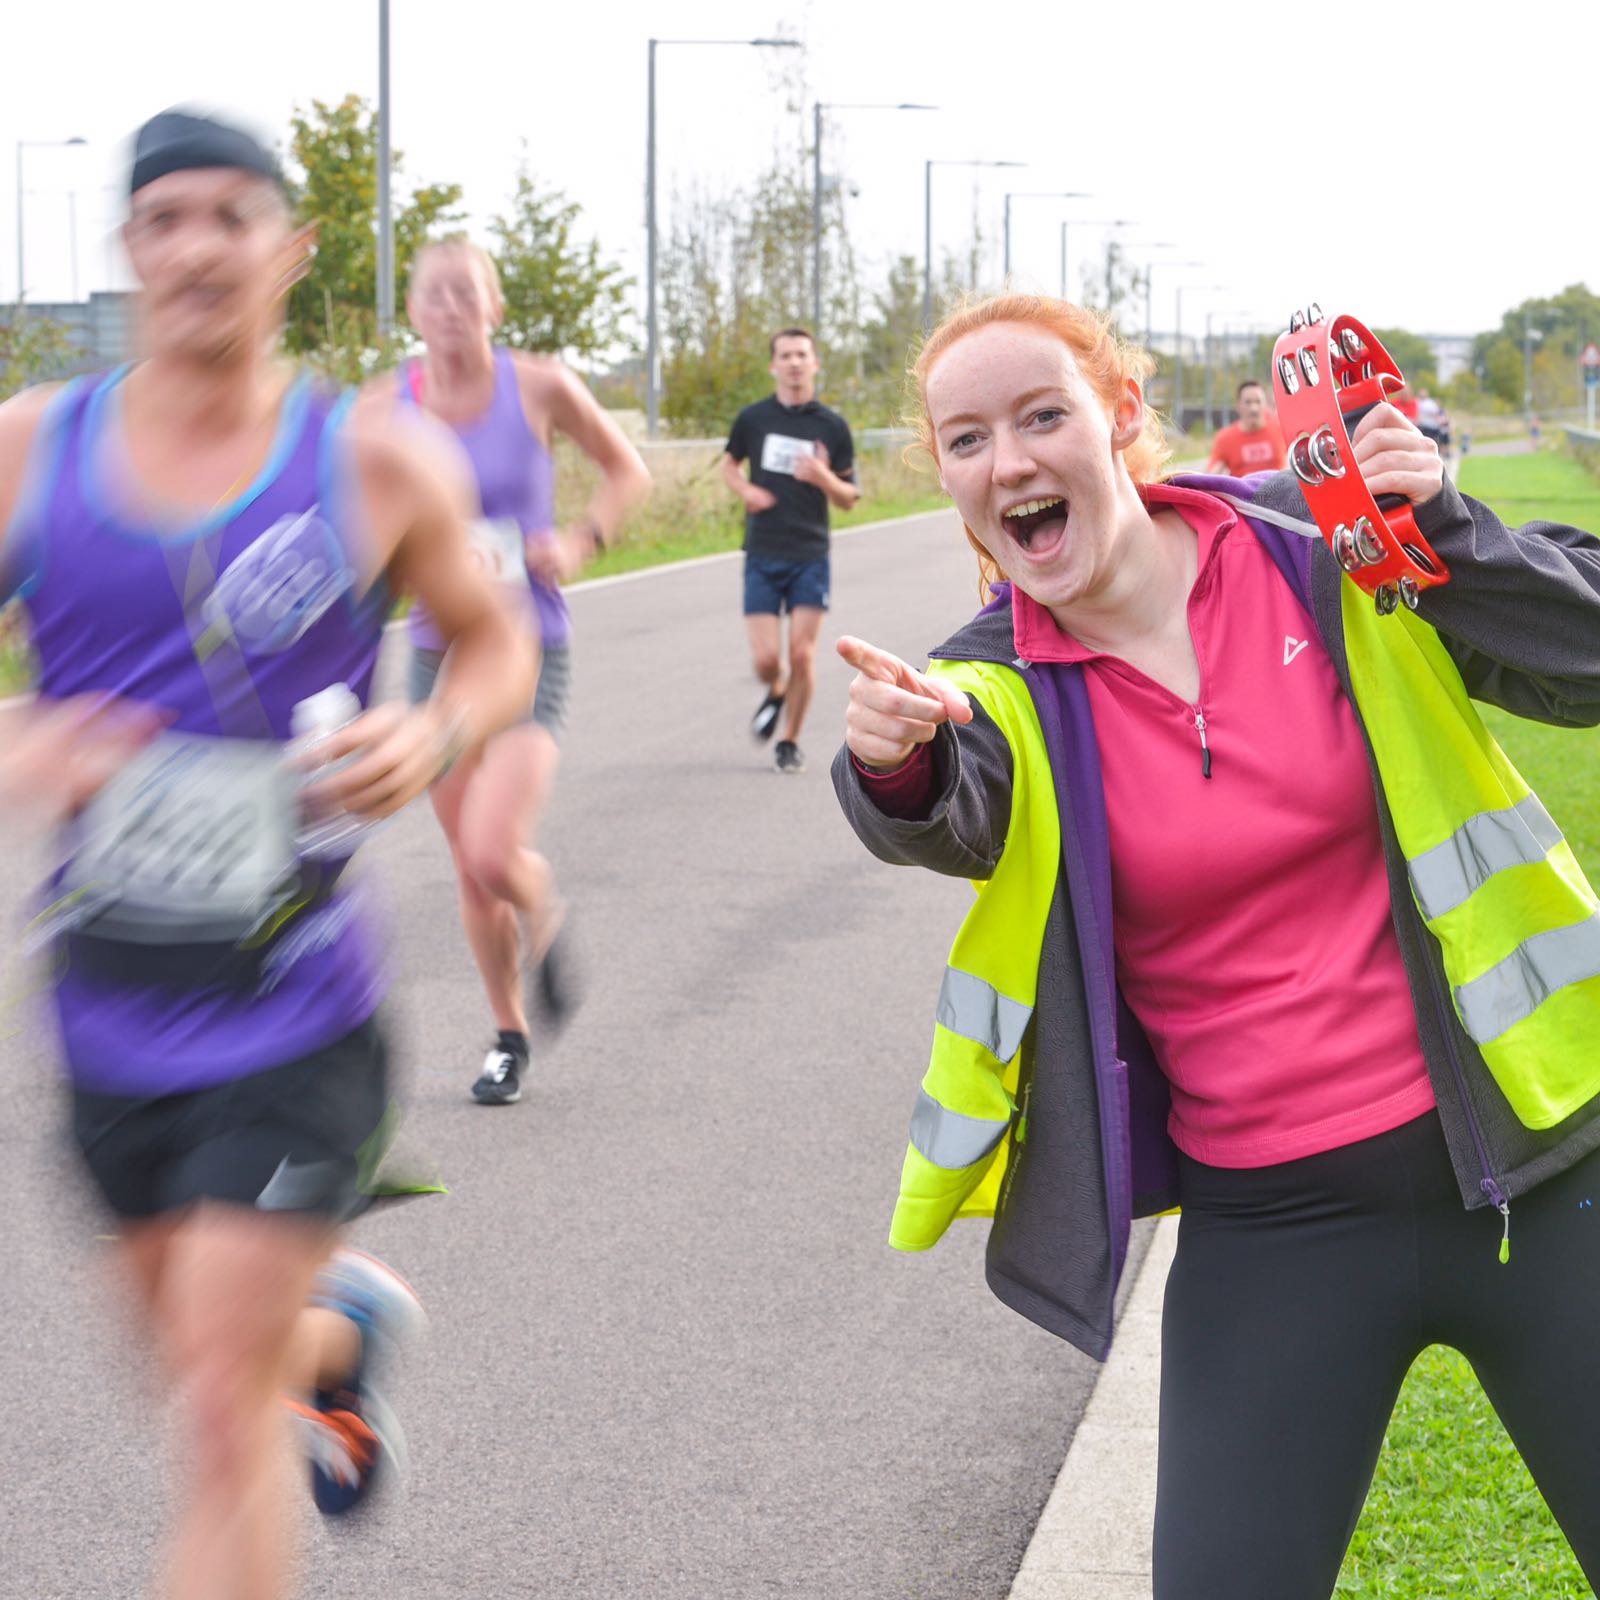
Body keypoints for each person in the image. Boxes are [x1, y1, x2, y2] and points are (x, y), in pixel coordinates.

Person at [831, 292, 1600, 1599]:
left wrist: (1442, 535)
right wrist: (898, 765)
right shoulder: (998, 685)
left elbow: (1582, 657)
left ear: (1123, 417)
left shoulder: (1316, 544)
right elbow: (949, 801)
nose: (1006, 461)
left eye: (1038, 417)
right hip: (1277, 1228)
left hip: (1543, 1178)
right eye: (966, 441)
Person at [0, 110, 535, 1598]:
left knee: (217, 1423)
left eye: (230, 216)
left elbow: (488, 644)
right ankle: (338, 1331)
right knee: (191, 1362)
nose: (193, 245)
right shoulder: (32, 453)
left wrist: (430, 735)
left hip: (298, 1015)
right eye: (162, 217)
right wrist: (27, 743)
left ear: (289, 251)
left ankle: (301, 1344)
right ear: (127, 252)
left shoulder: (371, 461)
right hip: (104, 1007)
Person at [363, 237, 650, 1107]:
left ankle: (543, 903)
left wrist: (578, 539)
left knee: (494, 850)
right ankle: (509, 1035)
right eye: (432, 294)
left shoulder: (540, 385)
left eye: (466, 292)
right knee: (467, 866)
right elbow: (344, 510)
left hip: (530, 646)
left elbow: (623, 468)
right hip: (433, 654)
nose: (449, 307)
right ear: (411, 311)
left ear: (493, 307)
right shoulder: (383, 406)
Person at [721, 327, 859, 773]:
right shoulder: (753, 419)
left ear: (815, 363)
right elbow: (728, 464)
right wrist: (745, 490)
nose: (795, 362)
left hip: (809, 553)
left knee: (802, 653)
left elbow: (849, 497)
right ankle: (775, 687)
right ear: (774, 365)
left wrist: (823, 477)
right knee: (766, 660)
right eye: (786, 355)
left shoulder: (832, 426)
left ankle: (789, 740)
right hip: (762, 551)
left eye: (803, 354)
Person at [1203, 377, 1286, 474]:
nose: (1253, 408)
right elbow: (1212, 473)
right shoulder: (1225, 438)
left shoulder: (1282, 430)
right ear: (1238, 406)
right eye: (1248, 402)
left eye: (1258, 402)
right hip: (1242, 488)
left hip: (1277, 487)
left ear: (1265, 405)